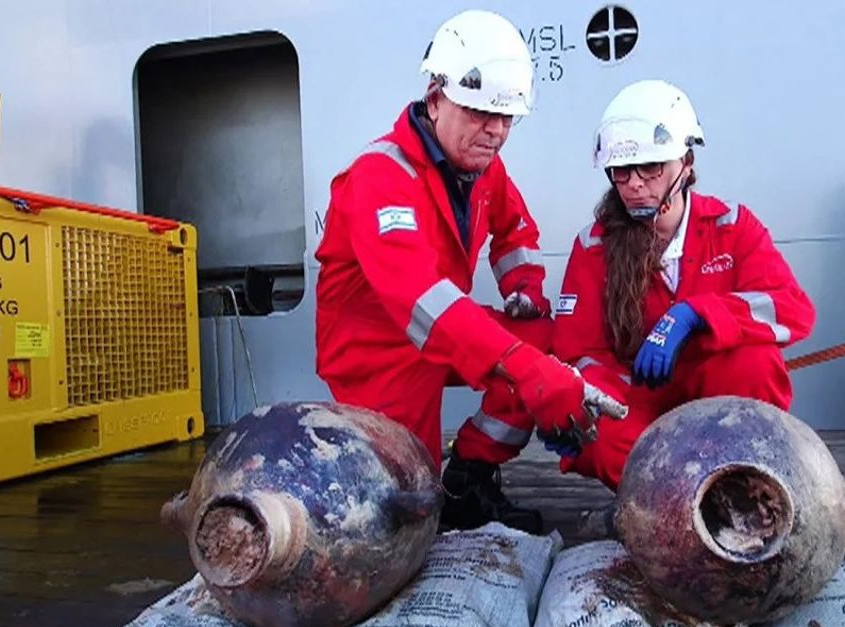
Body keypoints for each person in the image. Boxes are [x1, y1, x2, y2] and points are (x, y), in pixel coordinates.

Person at [314, 9, 623, 535]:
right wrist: (527, 370)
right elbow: (421, 302)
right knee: (405, 504)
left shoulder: (482, 167)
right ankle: (431, 493)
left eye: (507, 119)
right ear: (436, 98)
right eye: (481, 113)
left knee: (544, 338)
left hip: (444, 330)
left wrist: (524, 289)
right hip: (379, 354)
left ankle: (469, 477)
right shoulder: (377, 179)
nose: (497, 131)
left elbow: (515, 230)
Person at [549, 80, 817, 492]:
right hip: (638, 399)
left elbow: (792, 310)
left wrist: (695, 315)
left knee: (756, 362)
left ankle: (734, 483)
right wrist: (594, 398)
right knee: (597, 429)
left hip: (715, 392)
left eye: (651, 167)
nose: (635, 182)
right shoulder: (593, 245)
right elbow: (577, 351)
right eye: (621, 171)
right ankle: (692, 502)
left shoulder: (732, 226)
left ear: (686, 163)